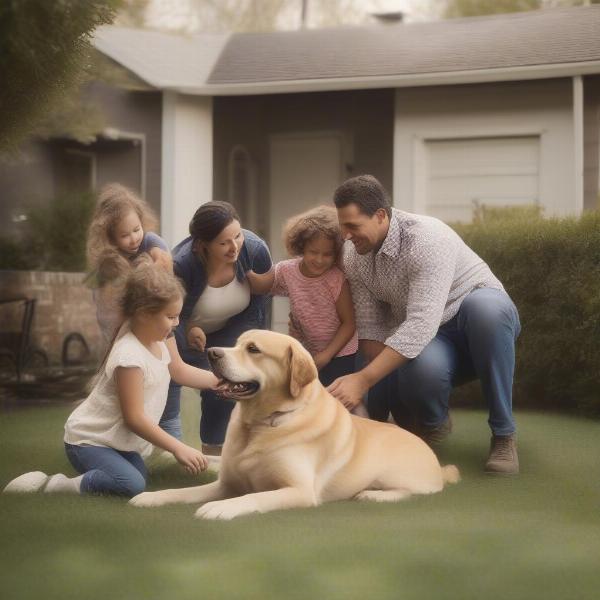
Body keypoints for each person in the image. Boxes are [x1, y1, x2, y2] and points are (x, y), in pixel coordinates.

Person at [328, 174, 521, 474]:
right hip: (432, 336)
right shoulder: (354, 255)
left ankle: (504, 434)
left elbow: (419, 323)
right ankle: (432, 423)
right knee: (420, 371)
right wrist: (377, 405)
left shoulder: (426, 240)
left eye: (352, 226)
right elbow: (370, 326)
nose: (346, 235)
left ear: (380, 216)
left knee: (487, 311)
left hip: (472, 318)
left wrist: (363, 380)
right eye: (342, 226)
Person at [3, 258, 219, 498]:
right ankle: (55, 485)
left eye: (178, 316)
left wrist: (219, 381)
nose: (177, 323)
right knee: (130, 484)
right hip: (89, 440)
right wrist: (178, 447)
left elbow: (179, 370)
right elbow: (134, 418)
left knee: (137, 478)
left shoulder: (158, 340)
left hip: (117, 443)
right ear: (144, 314)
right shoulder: (129, 356)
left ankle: (110, 470)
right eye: (170, 317)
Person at [164, 201, 272, 454]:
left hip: (235, 324)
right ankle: (168, 451)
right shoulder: (182, 265)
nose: (234, 246)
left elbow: (263, 297)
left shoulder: (254, 249)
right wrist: (190, 328)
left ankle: (214, 455)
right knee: (167, 378)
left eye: (237, 235)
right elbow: (169, 314)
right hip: (181, 326)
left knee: (226, 384)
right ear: (203, 244)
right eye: (224, 243)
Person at [245, 205, 365, 416]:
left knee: (341, 405)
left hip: (341, 353)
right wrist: (241, 267)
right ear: (301, 247)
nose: (319, 259)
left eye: (327, 254)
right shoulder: (286, 271)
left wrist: (327, 356)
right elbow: (261, 286)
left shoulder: (335, 278)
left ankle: (360, 437)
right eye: (313, 252)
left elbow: (349, 324)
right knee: (309, 403)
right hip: (309, 351)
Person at [86, 183, 172, 345]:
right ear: (111, 237)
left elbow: (165, 266)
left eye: (136, 229)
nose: (134, 238)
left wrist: (151, 265)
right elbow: (104, 300)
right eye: (124, 235)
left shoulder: (150, 241)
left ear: (142, 221)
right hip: (123, 326)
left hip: (154, 317)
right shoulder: (110, 259)